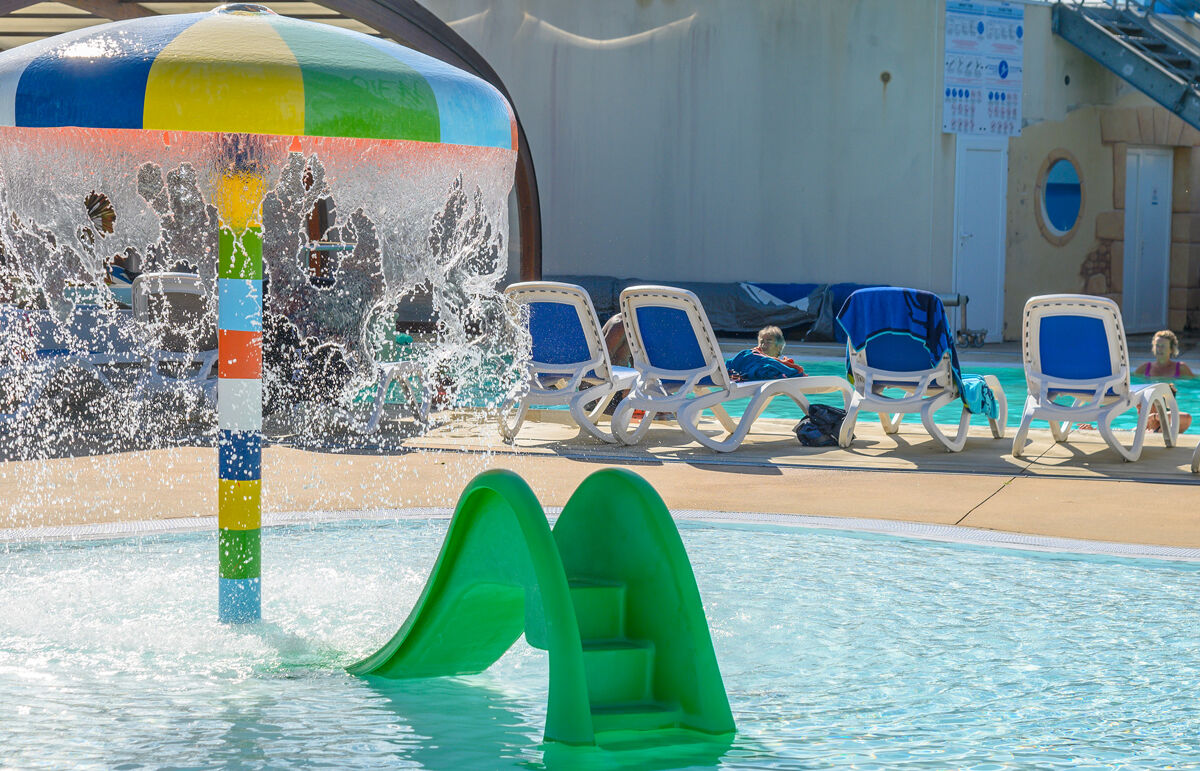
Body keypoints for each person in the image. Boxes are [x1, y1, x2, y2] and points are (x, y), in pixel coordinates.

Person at [1136, 330, 1193, 433]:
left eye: (1163, 346)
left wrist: (1154, 416)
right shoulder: (1144, 368)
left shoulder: (1181, 368)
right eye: (1157, 345)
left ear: (1171, 349)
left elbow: (1192, 387)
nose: (1159, 349)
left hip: (1166, 404)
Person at [726, 326, 807, 381]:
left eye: (769, 341)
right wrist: (792, 366)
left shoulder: (772, 365)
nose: (763, 344)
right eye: (761, 342)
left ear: (779, 345)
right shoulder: (752, 355)